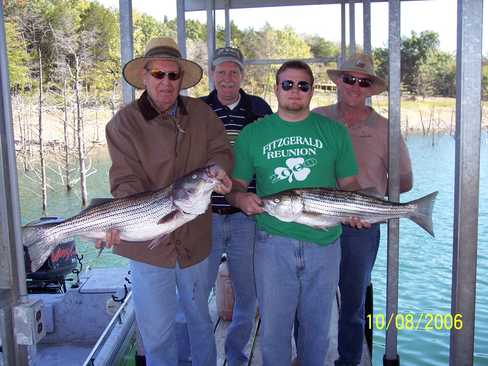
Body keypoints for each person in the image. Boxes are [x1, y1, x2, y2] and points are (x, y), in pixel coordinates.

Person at [97, 37, 233, 366]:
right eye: (158, 74)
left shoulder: (202, 114)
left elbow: (222, 152)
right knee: (157, 332)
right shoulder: (123, 123)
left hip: (196, 241)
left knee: (201, 322)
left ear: (181, 80)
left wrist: (220, 173)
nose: (166, 82)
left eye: (173, 76)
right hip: (146, 247)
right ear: (144, 76)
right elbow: (125, 180)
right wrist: (118, 222)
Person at [226, 60, 366, 366]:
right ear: (276, 89)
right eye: (287, 84)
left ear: (312, 91)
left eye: (303, 85)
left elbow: (350, 182)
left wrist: (356, 208)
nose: (295, 91)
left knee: (317, 332)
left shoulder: (334, 132)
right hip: (272, 245)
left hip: (325, 245)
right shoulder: (253, 134)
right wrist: (241, 199)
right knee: (275, 332)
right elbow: (234, 186)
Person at [312, 53, 413, 366]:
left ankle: (349, 359)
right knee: (310, 297)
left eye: (363, 81)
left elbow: (405, 182)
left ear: (370, 88)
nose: (355, 86)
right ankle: (308, 356)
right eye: (349, 79)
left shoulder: (385, 128)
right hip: (317, 220)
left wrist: (368, 199)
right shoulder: (317, 118)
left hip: (363, 227)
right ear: (338, 82)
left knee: (353, 302)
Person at [201, 46, 272, 366]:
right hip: (204, 217)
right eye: (221, 71)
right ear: (212, 74)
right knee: (197, 294)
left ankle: (235, 354)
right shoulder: (197, 110)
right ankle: (200, 356)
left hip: (246, 217)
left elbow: (272, 156)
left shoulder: (259, 108)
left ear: (242, 75)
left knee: (248, 293)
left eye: (234, 72)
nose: (227, 78)